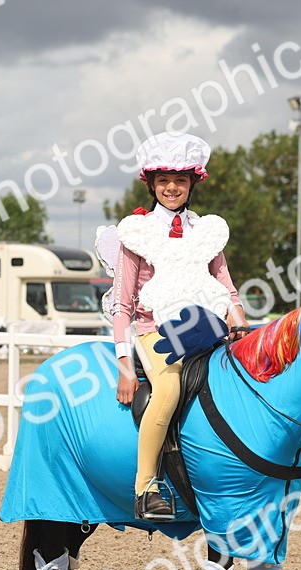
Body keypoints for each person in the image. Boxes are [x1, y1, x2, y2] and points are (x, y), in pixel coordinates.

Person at [112, 132, 248, 520]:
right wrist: (125, 367)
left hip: (204, 327)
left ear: (192, 184)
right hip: (155, 331)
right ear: (152, 185)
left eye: (180, 181)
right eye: (164, 181)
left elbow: (226, 288)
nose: (172, 188)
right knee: (169, 388)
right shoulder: (136, 233)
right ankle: (146, 488)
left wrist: (240, 323)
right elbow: (121, 305)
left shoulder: (206, 232)